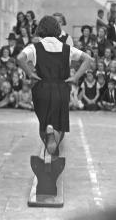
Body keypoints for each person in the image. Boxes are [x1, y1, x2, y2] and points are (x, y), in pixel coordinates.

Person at [17, 15, 92, 156]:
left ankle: (48, 137)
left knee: (43, 122)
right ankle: (53, 140)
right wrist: (75, 77)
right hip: (61, 87)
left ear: (41, 29)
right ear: (57, 29)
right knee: (59, 123)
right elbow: (88, 59)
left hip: (42, 87)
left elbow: (20, 58)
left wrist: (30, 73)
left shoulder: (34, 47)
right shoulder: (66, 48)